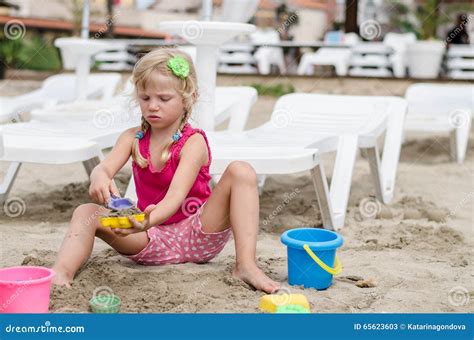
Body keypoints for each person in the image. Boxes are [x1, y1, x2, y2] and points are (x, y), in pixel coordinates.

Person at [51, 48, 280, 293]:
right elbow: (104, 167)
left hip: (199, 232)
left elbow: (175, 197)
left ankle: (246, 265)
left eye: (164, 98)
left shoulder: (193, 143)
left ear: (188, 98)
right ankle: (60, 276)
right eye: (145, 98)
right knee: (86, 211)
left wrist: (146, 220)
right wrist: (100, 175)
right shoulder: (132, 138)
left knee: (241, 170)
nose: (153, 106)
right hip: (150, 239)